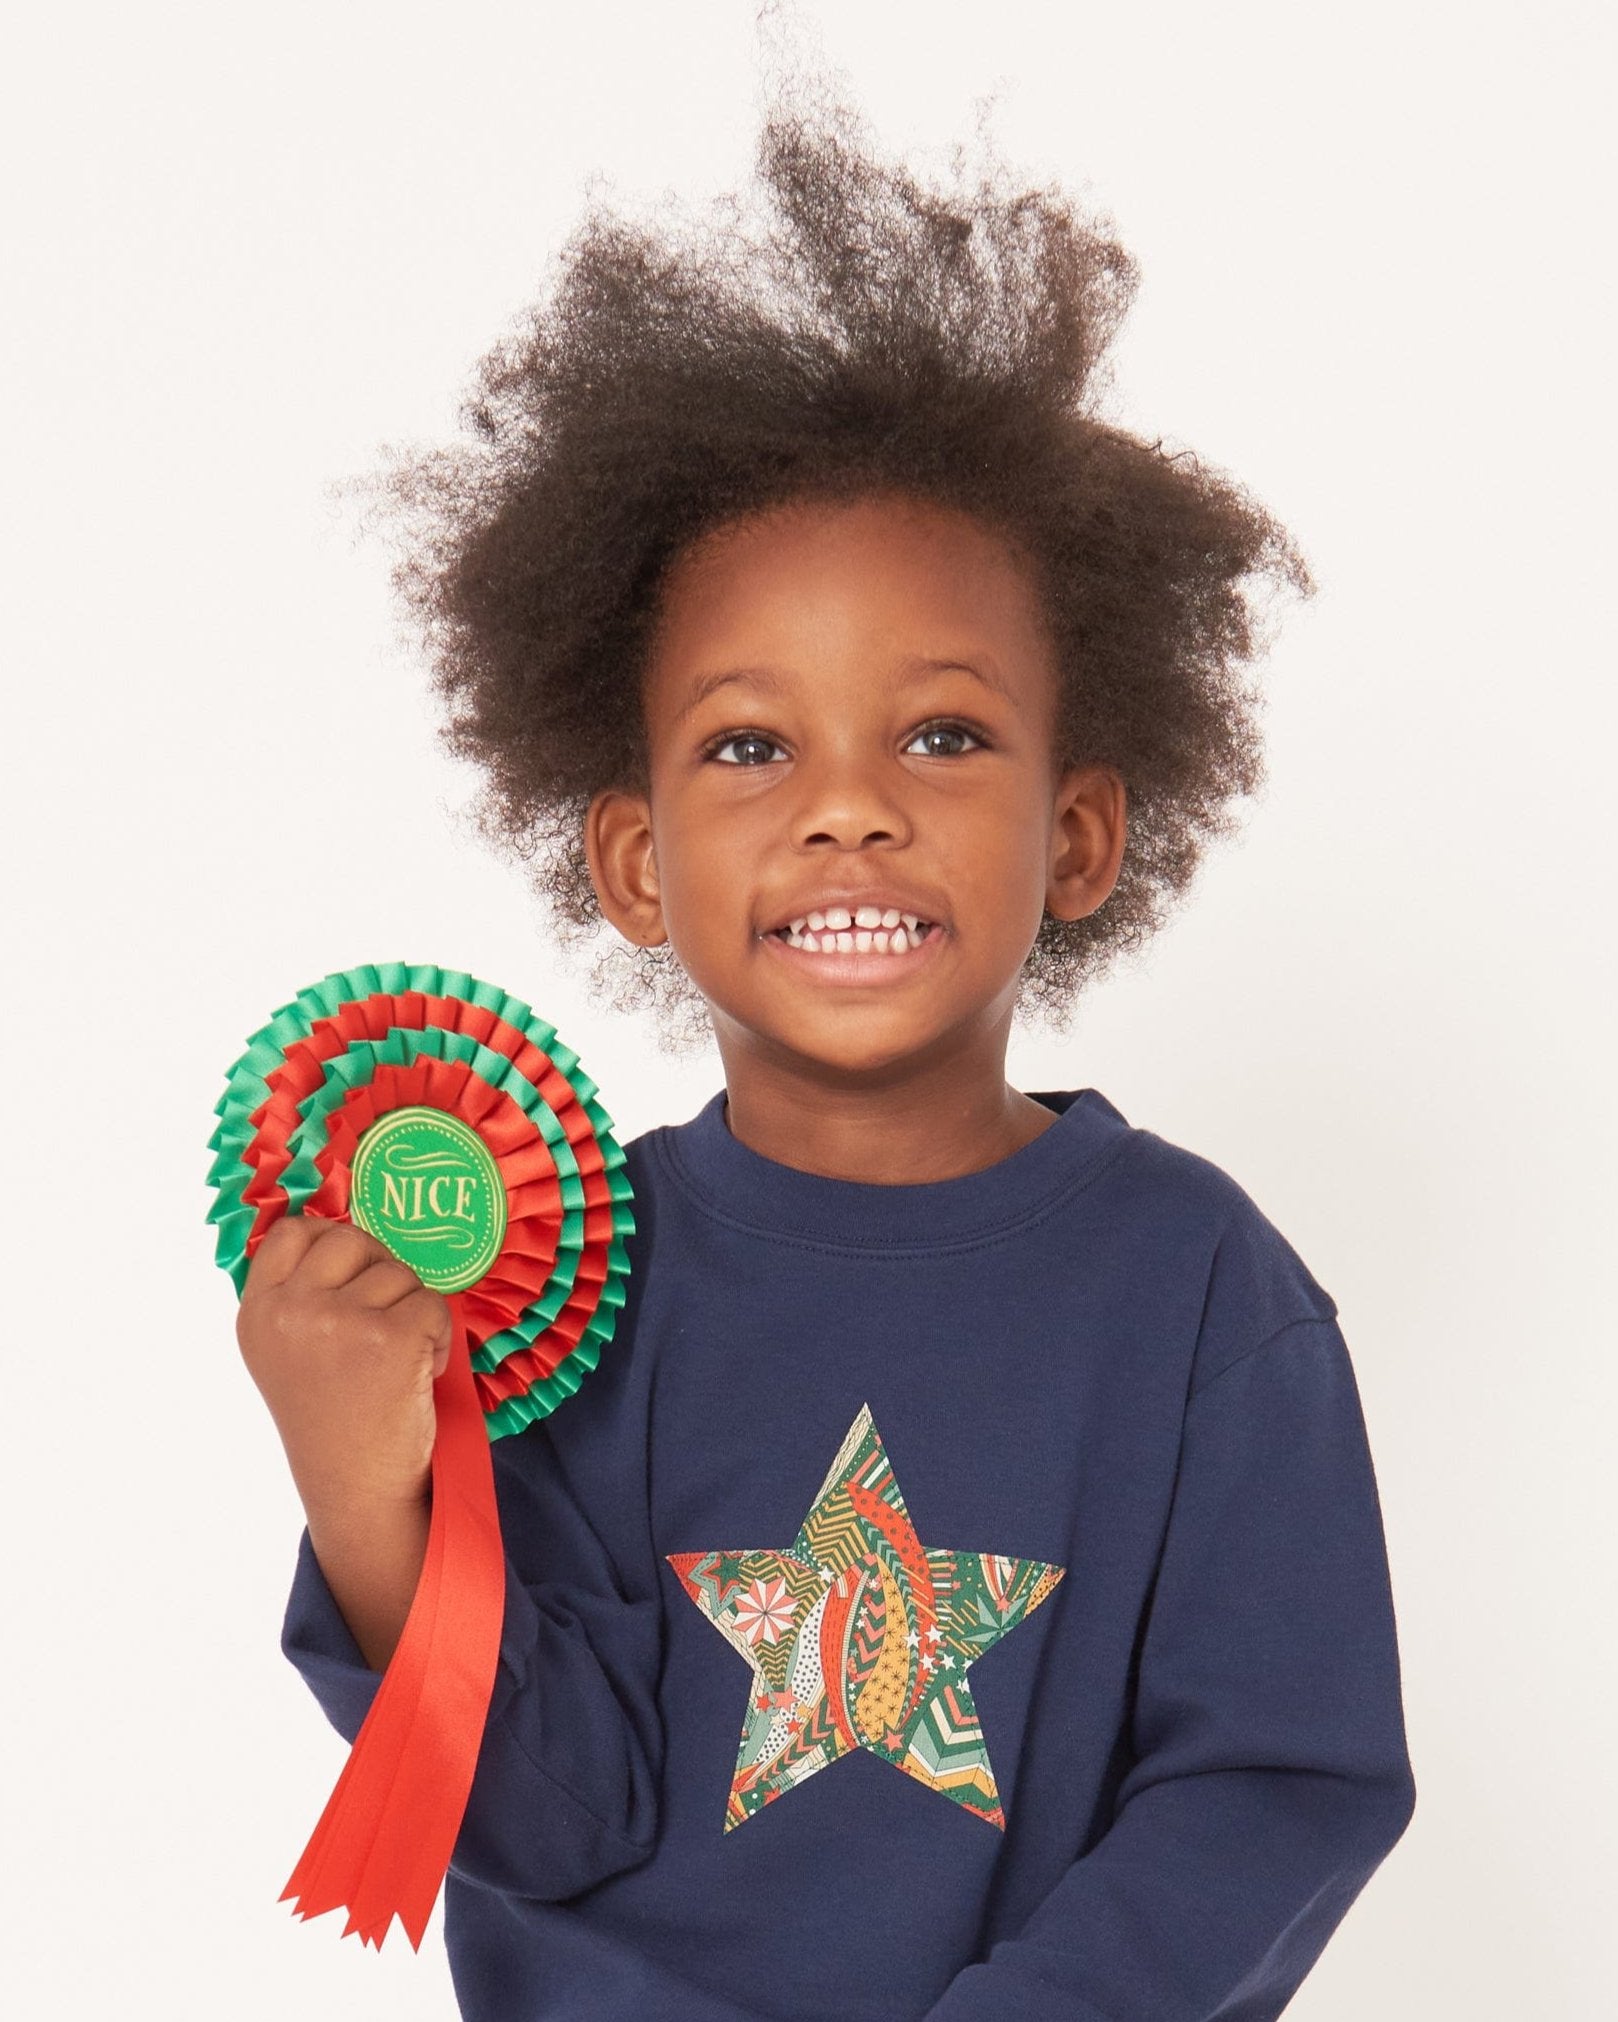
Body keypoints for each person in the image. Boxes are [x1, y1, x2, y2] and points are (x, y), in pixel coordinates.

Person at [238, 65, 1416, 2022]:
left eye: (939, 734)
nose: (846, 810)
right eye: (747, 744)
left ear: (1077, 830)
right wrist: (365, 1481)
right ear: (629, 855)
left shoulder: (1199, 1288)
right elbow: (547, 1813)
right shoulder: (552, 1286)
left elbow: (1272, 1784)